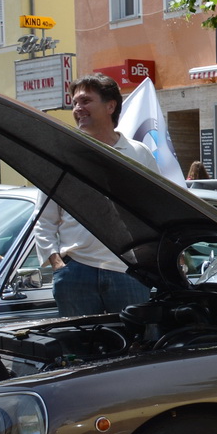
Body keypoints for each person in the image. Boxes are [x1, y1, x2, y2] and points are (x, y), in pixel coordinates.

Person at [33, 74, 160, 317]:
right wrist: (57, 264)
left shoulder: (139, 154)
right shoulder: (61, 155)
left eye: (85, 101)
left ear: (110, 105)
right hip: (75, 272)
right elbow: (44, 217)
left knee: (135, 349)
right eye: (75, 103)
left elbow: (155, 211)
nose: (78, 109)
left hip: (129, 272)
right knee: (79, 352)